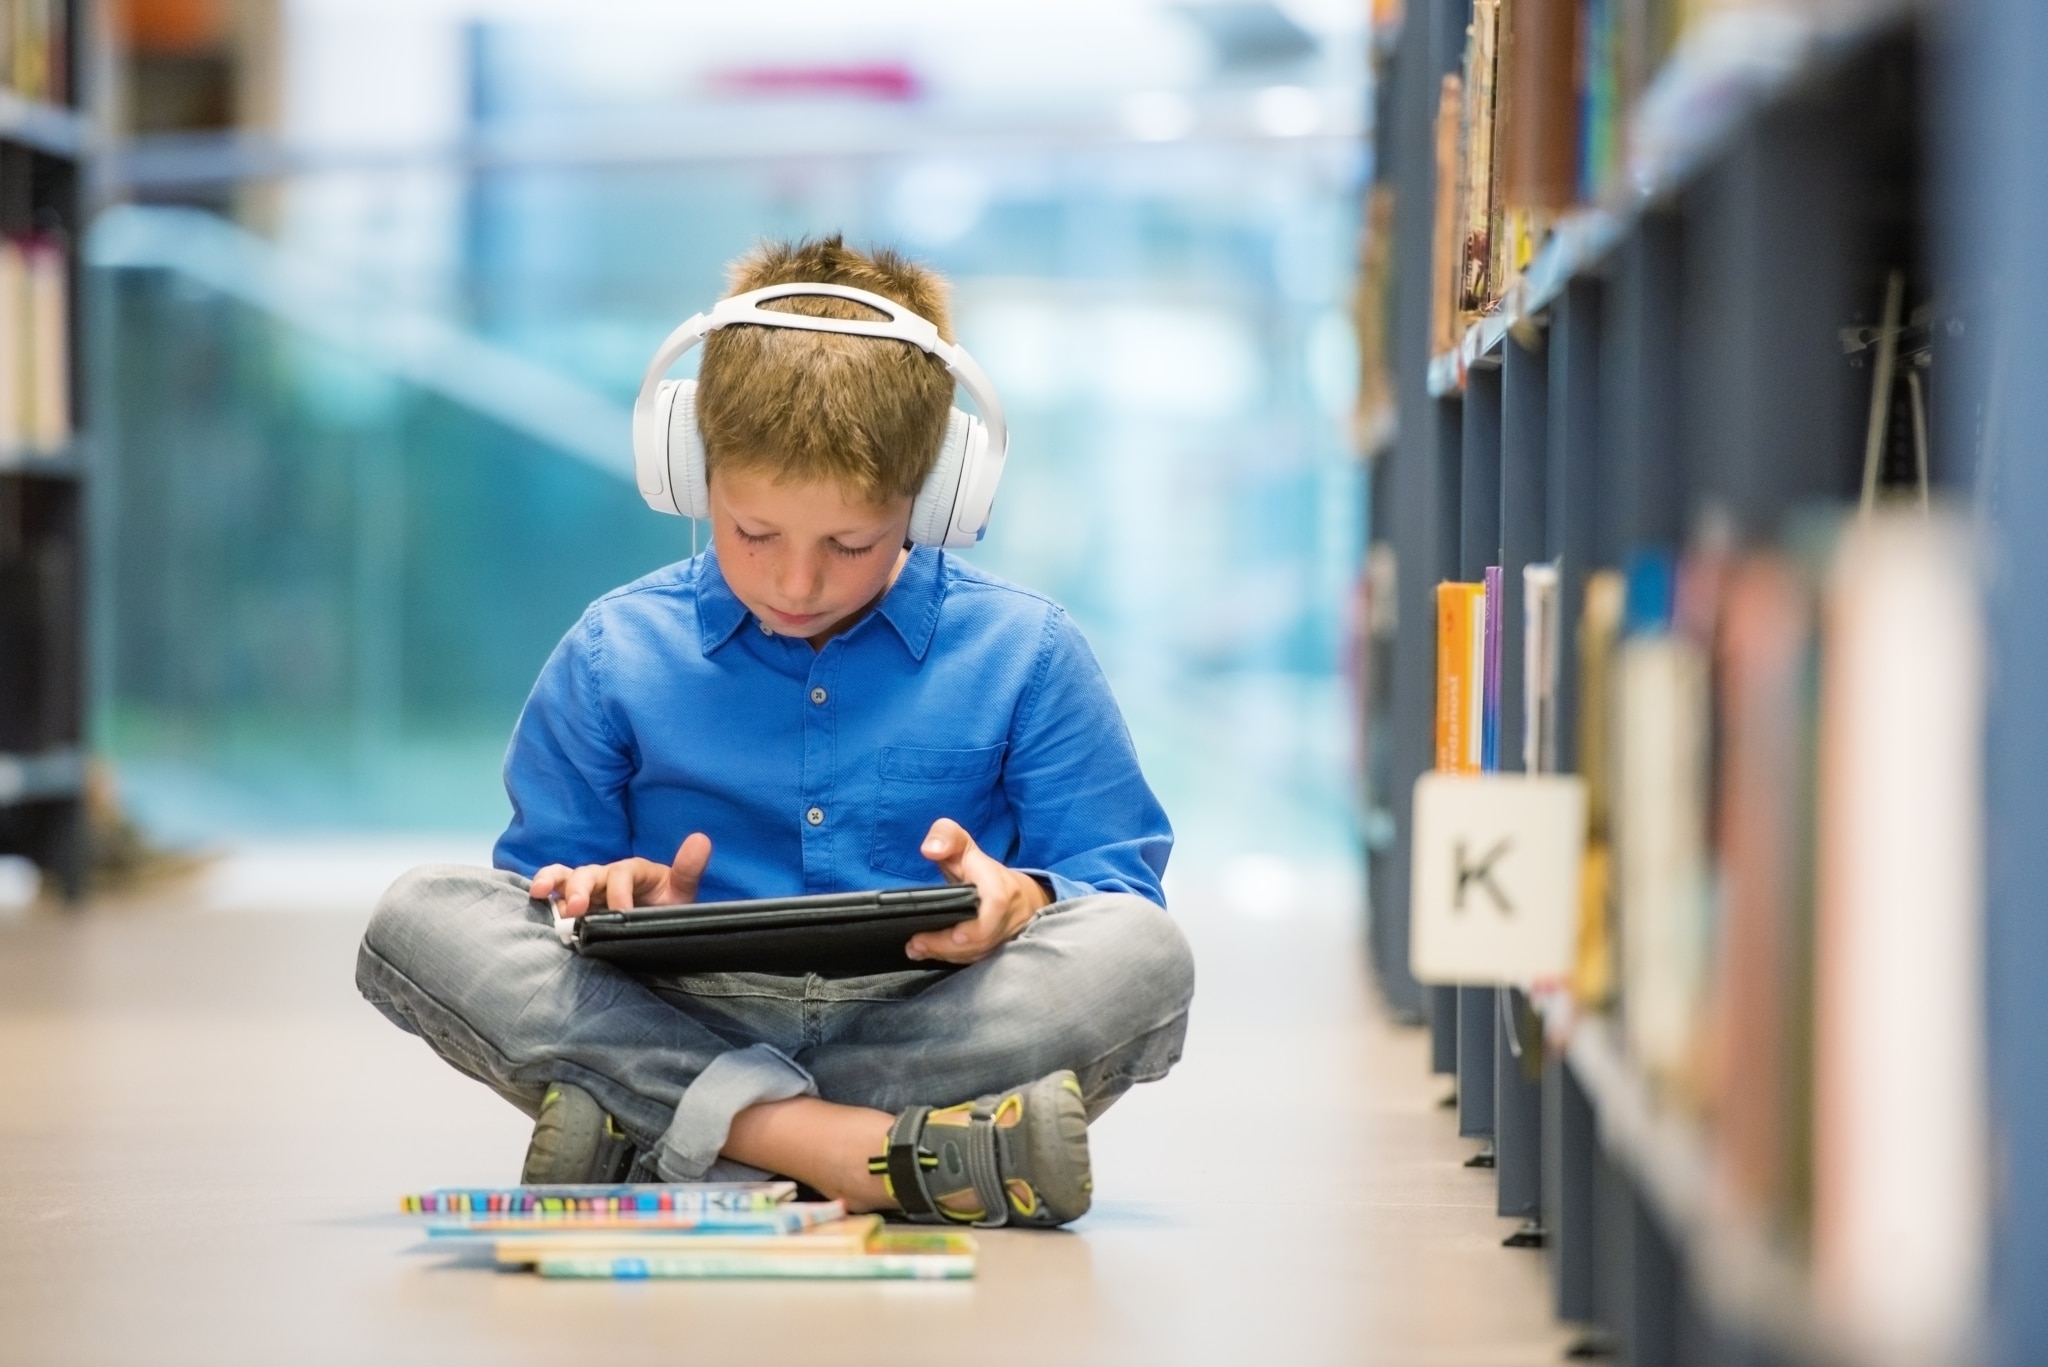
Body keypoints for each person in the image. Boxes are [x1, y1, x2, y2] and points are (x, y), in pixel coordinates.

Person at [355, 235, 1194, 1229]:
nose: (795, 582)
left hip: (927, 1013)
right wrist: (608, 892)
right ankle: (874, 1150)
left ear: (935, 498)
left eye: (849, 542)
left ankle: (679, 1128)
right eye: (752, 532)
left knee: (1143, 952)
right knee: (419, 914)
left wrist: (1021, 897)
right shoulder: (613, 651)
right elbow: (539, 892)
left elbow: (1117, 882)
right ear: (686, 470)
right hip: (676, 1007)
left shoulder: (1027, 650)